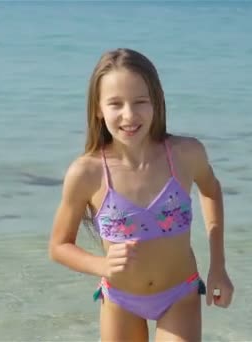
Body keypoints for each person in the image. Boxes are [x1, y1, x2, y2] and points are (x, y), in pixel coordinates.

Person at [48, 48, 234, 341]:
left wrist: (218, 267)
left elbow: (211, 191)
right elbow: (59, 246)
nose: (129, 115)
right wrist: (101, 265)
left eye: (140, 102)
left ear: (156, 102)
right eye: (115, 104)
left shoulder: (186, 154)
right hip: (121, 299)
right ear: (98, 108)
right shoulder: (87, 173)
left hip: (180, 294)